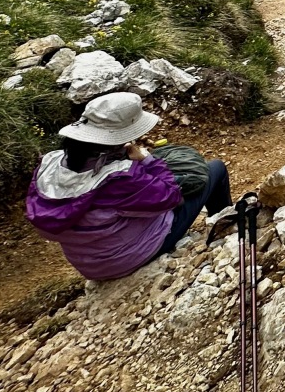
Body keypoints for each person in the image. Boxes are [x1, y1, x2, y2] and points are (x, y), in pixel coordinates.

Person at [25, 92, 231, 280]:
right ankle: (227, 225)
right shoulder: (120, 178)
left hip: (89, 264)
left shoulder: (49, 163)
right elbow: (172, 197)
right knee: (216, 169)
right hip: (128, 257)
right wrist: (146, 160)